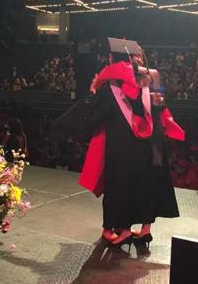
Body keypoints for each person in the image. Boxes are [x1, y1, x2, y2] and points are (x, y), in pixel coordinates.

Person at [55, 38, 183, 248]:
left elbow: (94, 115)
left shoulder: (113, 84)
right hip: (151, 142)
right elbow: (160, 105)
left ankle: (121, 229)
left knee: (119, 184)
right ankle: (145, 229)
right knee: (147, 182)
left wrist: (93, 94)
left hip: (123, 143)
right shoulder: (153, 77)